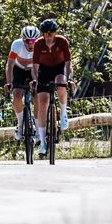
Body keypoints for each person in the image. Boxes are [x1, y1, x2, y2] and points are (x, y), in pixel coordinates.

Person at [31, 18, 73, 156]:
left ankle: (63, 113)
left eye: (51, 33)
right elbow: (35, 68)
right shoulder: (38, 44)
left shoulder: (62, 42)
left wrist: (70, 79)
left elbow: (68, 64)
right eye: (46, 33)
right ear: (43, 34)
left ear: (55, 33)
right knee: (42, 103)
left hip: (59, 68)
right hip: (44, 70)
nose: (48, 36)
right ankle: (42, 142)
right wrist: (35, 80)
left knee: (61, 82)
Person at [4, 25, 40, 140]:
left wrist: (37, 81)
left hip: (34, 70)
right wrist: (9, 82)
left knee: (37, 97)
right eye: (28, 41)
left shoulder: (40, 46)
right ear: (23, 40)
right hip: (19, 70)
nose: (31, 44)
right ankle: (20, 125)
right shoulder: (17, 45)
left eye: (33, 41)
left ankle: (38, 128)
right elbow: (9, 65)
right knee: (17, 95)